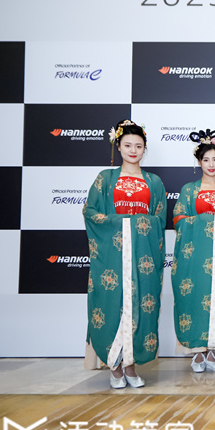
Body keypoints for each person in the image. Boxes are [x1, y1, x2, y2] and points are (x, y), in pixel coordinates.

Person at [83, 120, 166, 389]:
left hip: (142, 257)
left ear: (145, 149)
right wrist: (122, 222)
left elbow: (159, 219)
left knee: (140, 304)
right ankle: (115, 365)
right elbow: (90, 212)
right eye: (128, 145)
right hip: (112, 255)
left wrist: (138, 223)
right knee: (112, 303)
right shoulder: (105, 178)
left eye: (138, 146)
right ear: (117, 146)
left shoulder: (154, 182)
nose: (133, 150)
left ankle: (131, 364)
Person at [171, 129, 215, 374]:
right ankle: (198, 351)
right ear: (199, 162)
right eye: (206, 160)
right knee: (196, 297)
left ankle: (213, 351)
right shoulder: (189, 190)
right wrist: (208, 221)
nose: (211, 164)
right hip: (196, 257)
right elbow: (179, 219)